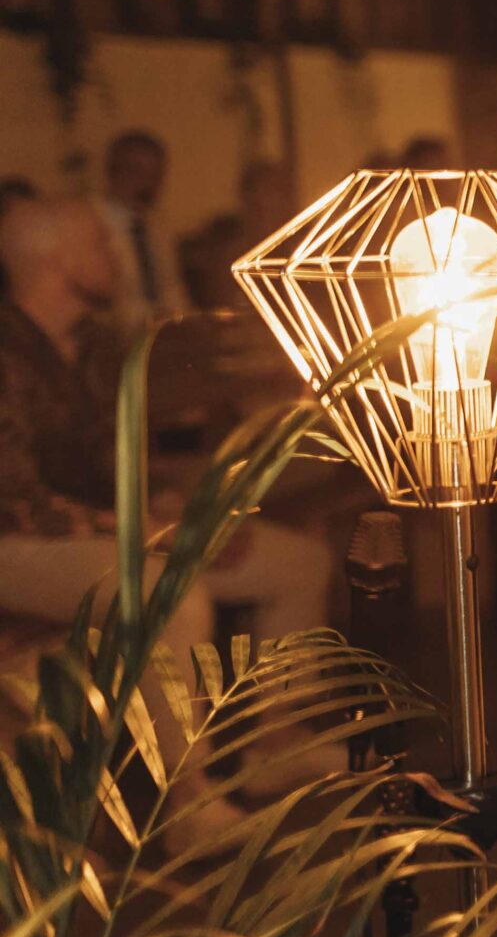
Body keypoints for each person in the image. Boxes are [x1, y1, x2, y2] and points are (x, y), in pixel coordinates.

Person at [0, 198, 332, 694]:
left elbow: (111, 465)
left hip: (101, 530)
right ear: (59, 260)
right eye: (99, 243)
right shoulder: (7, 353)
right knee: (171, 594)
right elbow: (19, 504)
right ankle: (185, 773)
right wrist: (159, 534)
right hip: (18, 546)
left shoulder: (93, 344)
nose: (116, 255)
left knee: (300, 564)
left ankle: (276, 746)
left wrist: (173, 507)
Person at [91, 129, 189, 328]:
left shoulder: (158, 227)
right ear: (113, 171)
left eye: (154, 174)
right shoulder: (91, 223)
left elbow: (171, 288)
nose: (147, 183)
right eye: (136, 171)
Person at [180, 157, 298, 309]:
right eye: (258, 207)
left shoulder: (301, 255)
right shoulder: (231, 260)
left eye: (278, 197)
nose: (269, 210)